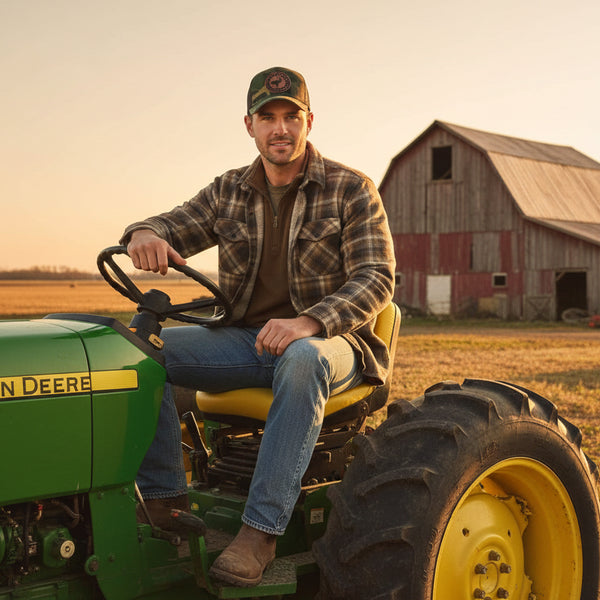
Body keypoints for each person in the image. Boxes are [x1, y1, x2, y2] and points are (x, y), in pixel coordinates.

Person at [120, 66, 395, 587]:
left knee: (302, 358)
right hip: (248, 341)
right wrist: (144, 233)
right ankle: (164, 505)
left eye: (291, 116)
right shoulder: (229, 190)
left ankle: (260, 532)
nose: (280, 128)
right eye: (268, 117)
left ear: (309, 120)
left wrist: (309, 322)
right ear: (249, 125)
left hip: (334, 343)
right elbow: (173, 222)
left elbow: (377, 277)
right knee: (139, 350)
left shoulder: (350, 188)